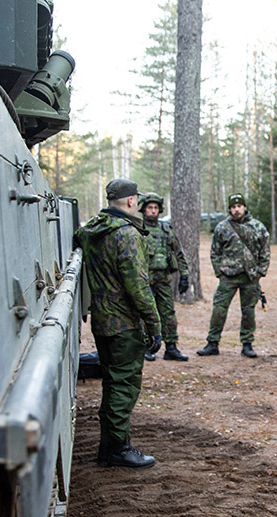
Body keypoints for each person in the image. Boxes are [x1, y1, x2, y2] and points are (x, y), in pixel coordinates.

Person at [74, 178, 160, 468]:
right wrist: (154, 324)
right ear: (132, 201)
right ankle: (118, 449)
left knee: (112, 383)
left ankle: (108, 447)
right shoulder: (127, 234)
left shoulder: (91, 230)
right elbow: (138, 286)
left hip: (101, 321)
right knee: (123, 386)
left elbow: (77, 237)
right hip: (124, 325)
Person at [197, 193, 270, 358]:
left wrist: (260, 272)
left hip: (250, 276)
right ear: (230, 209)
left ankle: (247, 344)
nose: (237, 210)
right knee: (219, 309)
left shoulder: (257, 227)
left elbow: (265, 251)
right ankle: (212, 343)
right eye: (233, 207)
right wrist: (219, 271)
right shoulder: (222, 227)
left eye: (239, 206)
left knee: (248, 311)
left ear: (244, 207)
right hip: (228, 276)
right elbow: (215, 252)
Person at [140, 192, 190, 362]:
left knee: (168, 313)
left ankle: (171, 347)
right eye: (149, 208)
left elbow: (179, 253)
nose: (153, 211)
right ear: (143, 209)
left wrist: (184, 275)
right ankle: (147, 346)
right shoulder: (137, 229)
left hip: (163, 279)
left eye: (155, 208)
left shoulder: (166, 229)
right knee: (146, 313)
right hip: (144, 279)